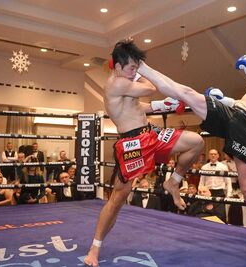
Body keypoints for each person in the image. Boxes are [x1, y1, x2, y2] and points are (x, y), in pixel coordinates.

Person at [138, 47, 246, 262]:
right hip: (232, 114)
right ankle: (142, 66)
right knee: (187, 93)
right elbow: (242, 104)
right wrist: (224, 100)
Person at [84, 39, 204, 267]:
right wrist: (141, 72)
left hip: (150, 134)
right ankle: (95, 247)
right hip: (132, 144)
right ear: (117, 67)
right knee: (118, 199)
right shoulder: (116, 84)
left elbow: (140, 107)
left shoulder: (124, 84)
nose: (133, 72)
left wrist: (165, 106)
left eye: (135, 68)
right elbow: (150, 88)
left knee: (196, 141)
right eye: (131, 68)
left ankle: (174, 182)